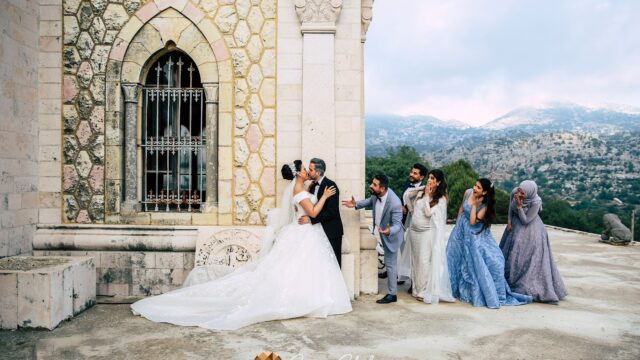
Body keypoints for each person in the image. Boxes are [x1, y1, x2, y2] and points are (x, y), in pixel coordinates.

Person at [130, 160, 352, 330]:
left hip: (307, 232)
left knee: (303, 268)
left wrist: (317, 199)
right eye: (305, 169)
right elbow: (312, 211)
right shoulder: (301, 191)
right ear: (299, 174)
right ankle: (302, 299)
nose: (308, 171)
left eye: (309, 169)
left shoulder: (306, 188)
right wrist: (323, 197)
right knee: (293, 268)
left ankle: (310, 296)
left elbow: (310, 211)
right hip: (304, 231)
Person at [446, 178, 532, 308]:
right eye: (475, 185)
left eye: (478, 188)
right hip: (460, 229)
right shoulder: (468, 192)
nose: (474, 188)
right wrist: (456, 225)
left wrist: (474, 205)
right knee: (453, 255)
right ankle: (451, 287)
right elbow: (461, 209)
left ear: (485, 192)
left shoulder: (484, 205)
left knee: (488, 260)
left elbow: (473, 222)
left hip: (475, 233)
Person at [499, 180, 567, 303]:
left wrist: (520, 207)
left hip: (530, 229)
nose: (520, 194)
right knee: (510, 251)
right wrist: (509, 221)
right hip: (514, 225)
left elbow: (526, 220)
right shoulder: (515, 192)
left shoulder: (536, 201)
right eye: (519, 190)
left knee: (526, 255)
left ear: (530, 193)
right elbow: (510, 206)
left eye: (523, 193)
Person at [342, 174, 403, 304]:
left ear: (382, 188)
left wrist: (389, 231)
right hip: (380, 231)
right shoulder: (376, 196)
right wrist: (356, 204)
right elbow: (370, 201)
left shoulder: (395, 203)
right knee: (388, 263)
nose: (371, 185)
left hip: (391, 235)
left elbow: (398, 225)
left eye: (374, 185)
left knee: (390, 264)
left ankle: (392, 295)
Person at [403, 169, 454, 304]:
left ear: (438, 182)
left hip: (426, 232)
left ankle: (424, 290)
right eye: (429, 177)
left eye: (432, 178)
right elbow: (407, 195)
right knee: (415, 260)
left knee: (424, 261)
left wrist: (427, 196)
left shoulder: (440, 199)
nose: (429, 180)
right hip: (414, 231)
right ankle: (416, 288)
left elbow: (428, 213)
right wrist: (413, 210)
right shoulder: (420, 192)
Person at [298, 158, 344, 268]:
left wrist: (311, 219)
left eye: (310, 169)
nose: (308, 171)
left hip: (331, 232)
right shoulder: (312, 186)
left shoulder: (331, 186)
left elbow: (332, 212)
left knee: (334, 266)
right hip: (317, 232)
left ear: (318, 172)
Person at [393, 163, 428, 287]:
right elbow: (403, 199)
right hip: (404, 222)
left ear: (422, 177)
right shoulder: (407, 185)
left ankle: (415, 281)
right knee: (403, 249)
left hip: (416, 221)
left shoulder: (424, 189)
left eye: (415, 173)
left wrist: (409, 209)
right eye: (411, 172)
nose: (411, 174)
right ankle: (403, 274)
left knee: (415, 251)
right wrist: (402, 206)